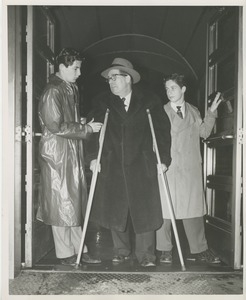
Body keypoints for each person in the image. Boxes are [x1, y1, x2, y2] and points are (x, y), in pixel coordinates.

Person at [86, 58, 171, 267]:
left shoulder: (149, 101)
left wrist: (163, 159)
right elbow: (93, 131)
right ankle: (121, 251)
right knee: (116, 207)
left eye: (115, 77)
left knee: (144, 210)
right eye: (109, 79)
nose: (111, 82)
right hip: (113, 162)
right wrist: (93, 157)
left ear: (128, 79)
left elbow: (161, 133)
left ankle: (146, 255)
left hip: (141, 163)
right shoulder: (102, 102)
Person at [37, 48, 103, 266]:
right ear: (62, 67)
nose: (79, 73)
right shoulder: (53, 90)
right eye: (75, 68)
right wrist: (86, 128)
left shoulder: (68, 88)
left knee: (71, 204)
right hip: (57, 155)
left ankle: (79, 248)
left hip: (67, 152)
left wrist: (81, 123)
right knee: (61, 206)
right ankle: (66, 253)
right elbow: (55, 125)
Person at [156, 73, 222, 264]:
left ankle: (200, 249)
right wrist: (157, 160)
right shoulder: (161, 111)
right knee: (165, 209)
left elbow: (204, 133)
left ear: (183, 89)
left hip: (191, 167)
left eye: (173, 88)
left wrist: (212, 112)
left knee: (193, 210)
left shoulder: (193, 110)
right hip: (169, 166)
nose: (169, 92)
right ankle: (164, 250)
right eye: (167, 89)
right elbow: (155, 139)